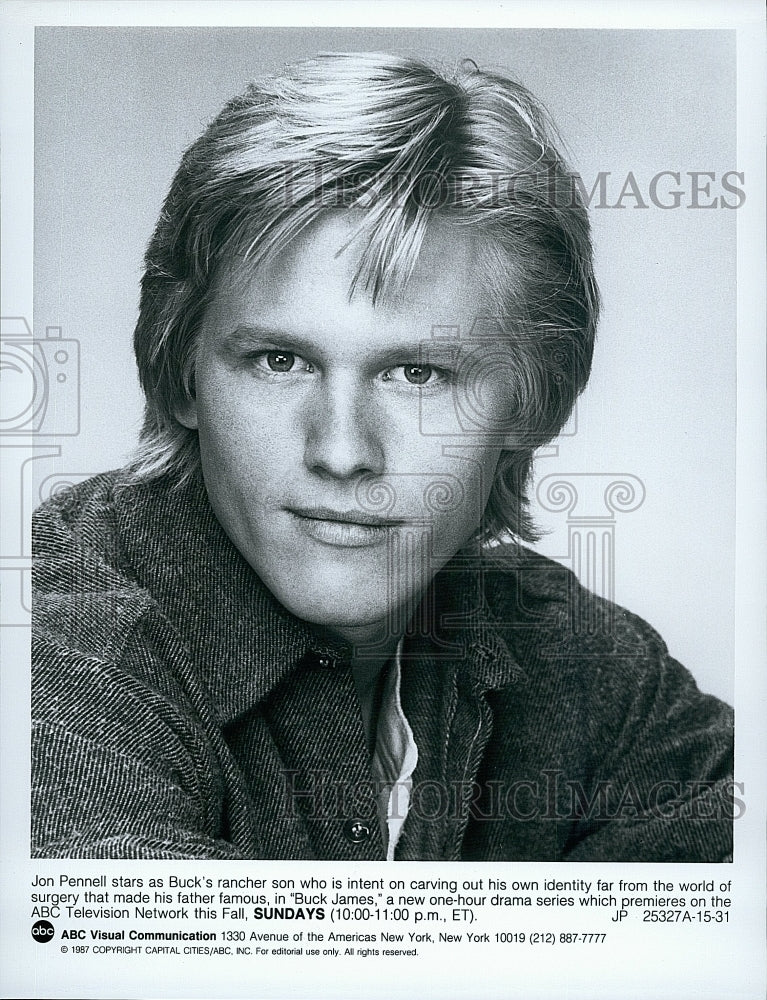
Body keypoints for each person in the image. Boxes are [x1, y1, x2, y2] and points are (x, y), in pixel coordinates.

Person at [32, 52, 734, 861]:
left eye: (417, 373)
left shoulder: (580, 665)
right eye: (278, 361)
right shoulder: (58, 669)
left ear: (536, 403)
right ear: (178, 369)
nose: (340, 452)